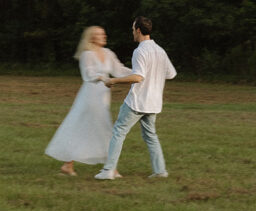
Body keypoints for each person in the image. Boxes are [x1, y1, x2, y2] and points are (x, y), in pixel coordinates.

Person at [95, 15, 176, 181]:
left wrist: (113, 80)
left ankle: (109, 170)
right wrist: (155, 77)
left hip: (137, 102)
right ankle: (160, 171)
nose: (132, 32)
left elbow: (138, 77)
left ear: (138, 30)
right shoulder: (160, 51)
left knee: (118, 132)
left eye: (133, 29)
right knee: (150, 135)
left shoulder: (140, 51)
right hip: (153, 103)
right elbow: (171, 74)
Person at [44, 26, 133, 177]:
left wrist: (139, 73)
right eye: (99, 34)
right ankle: (111, 168)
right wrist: (102, 77)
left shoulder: (108, 53)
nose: (104, 36)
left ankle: (68, 165)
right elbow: (88, 74)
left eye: (104, 33)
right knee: (103, 129)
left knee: (85, 129)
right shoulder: (87, 55)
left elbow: (119, 70)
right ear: (91, 38)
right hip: (89, 96)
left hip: (103, 98)